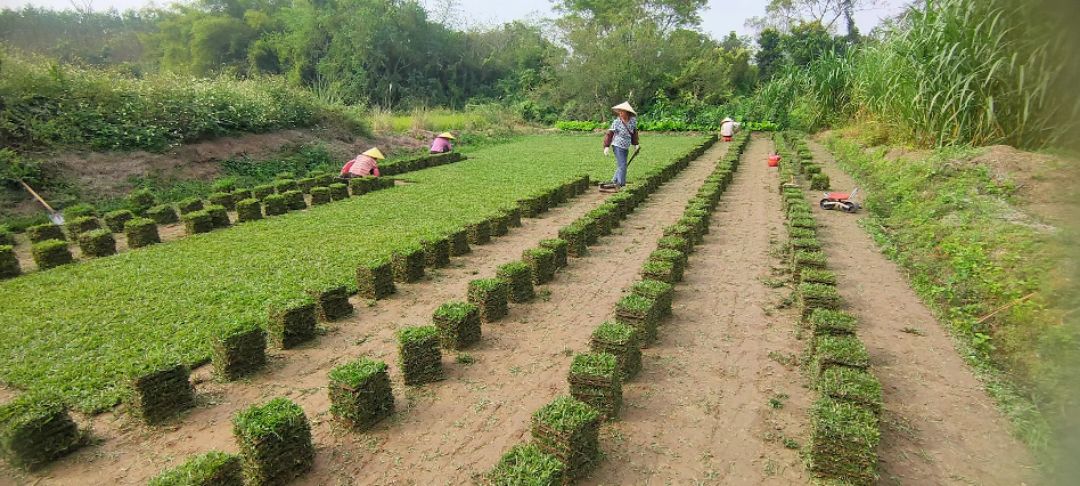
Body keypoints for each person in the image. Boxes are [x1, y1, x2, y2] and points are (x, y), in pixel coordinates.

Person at [601, 101, 640, 190]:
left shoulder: (633, 121)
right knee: (623, 165)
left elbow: (634, 133)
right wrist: (606, 146)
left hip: (626, 146)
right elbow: (609, 134)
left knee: (622, 165)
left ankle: (614, 181)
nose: (620, 113)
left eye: (622, 111)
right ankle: (621, 185)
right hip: (617, 145)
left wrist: (636, 145)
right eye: (619, 111)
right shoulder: (617, 122)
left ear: (627, 112)